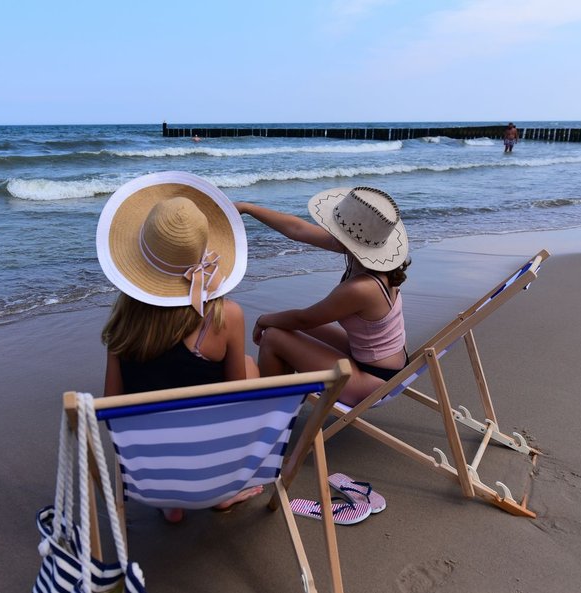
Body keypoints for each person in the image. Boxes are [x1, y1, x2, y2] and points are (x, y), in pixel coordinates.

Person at [97, 171, 261, 522]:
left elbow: (112, 406)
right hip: (205, 463)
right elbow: (234, 404)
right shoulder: (226, 316)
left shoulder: (122, 323)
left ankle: (172, 503)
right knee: (248, 365)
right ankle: (219, 492)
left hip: (152, 469)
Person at [236, 186, 410, 407]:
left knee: (273, 335)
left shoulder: (362, 288)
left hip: (373, 381)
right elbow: (297, 229)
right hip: (376, 360)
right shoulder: (373, 263)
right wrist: (247, 208)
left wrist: (263, 319)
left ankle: (267, 413)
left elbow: (305, 319)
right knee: (285, 326)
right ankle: (278, 404)